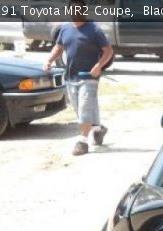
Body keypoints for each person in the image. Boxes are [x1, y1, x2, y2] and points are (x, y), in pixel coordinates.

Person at [43, 0, 114, 156]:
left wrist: (99, 66)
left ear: (84, 10)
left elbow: (108, 51)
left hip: (89, 76)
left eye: (78, 9)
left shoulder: (94, 29)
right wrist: (49, 60)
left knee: (84, 107)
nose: (75, 12)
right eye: (72, 9)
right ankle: (98, 129)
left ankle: (82, 141)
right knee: (80, 108)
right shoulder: (65, 28)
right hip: (71, 77)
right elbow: (58, 47)